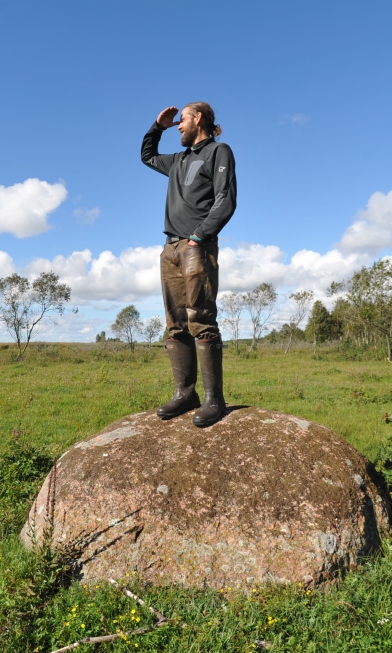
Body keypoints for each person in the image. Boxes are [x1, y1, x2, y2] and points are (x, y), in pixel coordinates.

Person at [141, 102, 236, 427]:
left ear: (198, 118)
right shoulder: (178, 160)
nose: (178, 125)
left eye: (182, 119)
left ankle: (214, 399)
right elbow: (147, 156)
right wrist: (158, 127)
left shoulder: (218, 152)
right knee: (176, 323)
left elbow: (225, 199)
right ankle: (185, 393)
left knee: (201, 320)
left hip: (197, 245)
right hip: (170, 248)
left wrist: (199, 236)